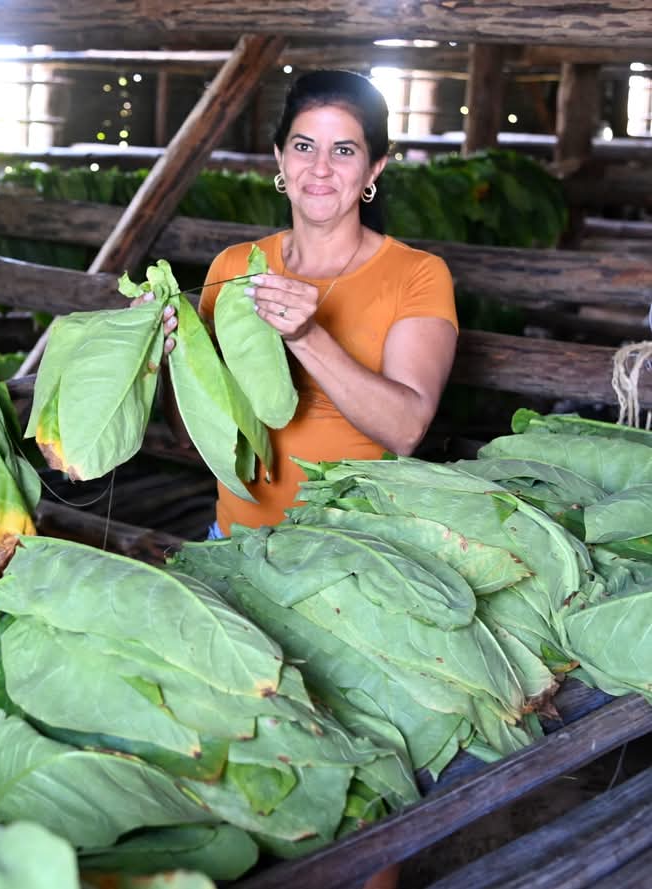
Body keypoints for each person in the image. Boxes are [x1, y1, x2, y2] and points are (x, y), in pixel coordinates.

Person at [145, 67, 458, 889]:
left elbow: (407, 426)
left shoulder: (416, 276)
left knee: (365, 784)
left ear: (376, 169)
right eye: (305, 147)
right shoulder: (233, 267)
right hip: (238, 549)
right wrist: (178, 366)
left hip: (354, 569)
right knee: (242, 771)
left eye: (345, 150)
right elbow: (210, 434)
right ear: (278, 162)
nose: (322, 168)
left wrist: (312, 337)